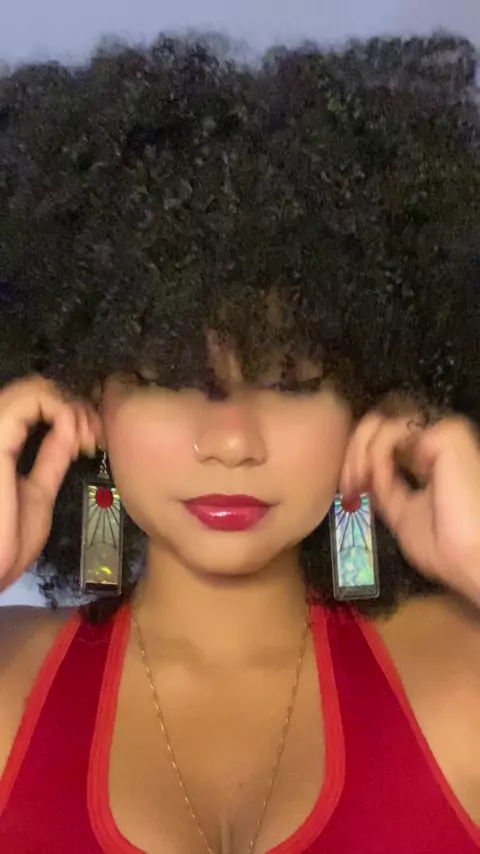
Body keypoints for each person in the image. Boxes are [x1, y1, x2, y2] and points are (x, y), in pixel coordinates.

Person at [1, 32, 480, 854]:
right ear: (85, 396)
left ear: (373, 399)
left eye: (293, 383)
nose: (231, 440)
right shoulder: (12, 688)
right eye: (168, 377)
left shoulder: (461, 676)